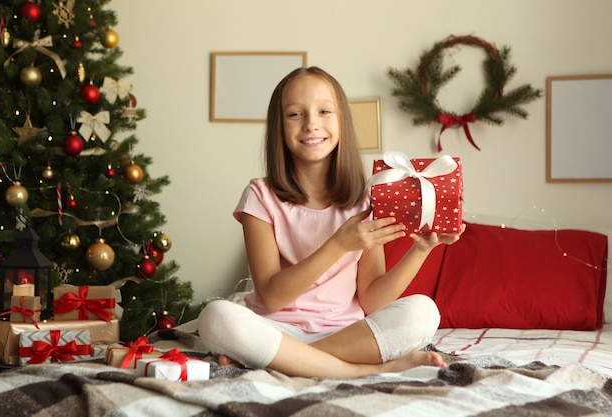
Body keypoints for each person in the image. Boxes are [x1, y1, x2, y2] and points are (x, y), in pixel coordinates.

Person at [197, 66, 464, 378]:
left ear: (342, 122)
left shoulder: (364, 200)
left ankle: (290, 361)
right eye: (295, 114)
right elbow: (270, 296)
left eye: (324, 111)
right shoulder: (260, 196)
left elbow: (372, 300)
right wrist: (339, 244)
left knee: (423, 312)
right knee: (215, 317)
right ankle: (360, 371)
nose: (311, 124)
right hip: (274, 329)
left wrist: (420, 251)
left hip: (346, 337)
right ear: (279, 127)